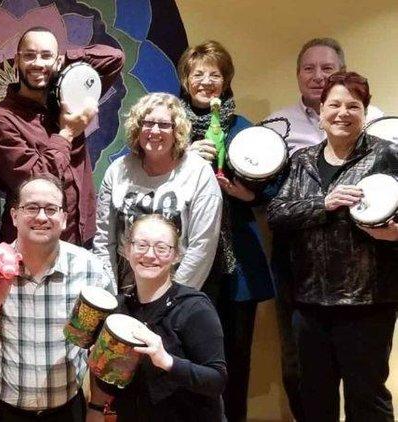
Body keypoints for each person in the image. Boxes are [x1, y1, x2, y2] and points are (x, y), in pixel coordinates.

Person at [264, 37, 384, 420]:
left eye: (353, 106)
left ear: (366, 112)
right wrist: (324, 203)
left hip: (368, 299)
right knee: (315, 398)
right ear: (320, 113)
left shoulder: (387, 154)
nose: (342, 113)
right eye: (334, 105)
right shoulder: (302, 160)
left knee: (367, 398)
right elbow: (278, 213)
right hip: (308, 299)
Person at [0, 174, 116, 421]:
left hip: (65, 411)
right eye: (31, 208)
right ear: (14, 216)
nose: (41, 217)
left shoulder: (91, 271)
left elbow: (104, 349)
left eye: (51, 209)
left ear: (64, 218)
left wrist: (97, 407)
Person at [176, 40, 275, 422]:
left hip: (236, 268)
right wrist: (185, 161)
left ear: (226, 80)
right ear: (185, 80)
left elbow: (268, 190)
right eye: (197, 74)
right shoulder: (168, 124)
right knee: (185, 358)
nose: (206, 81)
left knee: (234, 359)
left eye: (214, 74)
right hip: (183, 262)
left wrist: (243, 192)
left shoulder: (245, 128)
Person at [0, 26, 125, 247]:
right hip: (31, 246)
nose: (38, 63)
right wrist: (66, 133)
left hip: (80, 236)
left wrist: (69, 58)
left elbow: (114, 59)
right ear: (17, 60)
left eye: (46, 56)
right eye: (30, 56)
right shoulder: (2, 120)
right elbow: (35, 181)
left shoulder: (70, 95)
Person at [87, 214, 226, 421]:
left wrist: (167, 361)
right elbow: (115, 387)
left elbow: (217, 381)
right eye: (141, 245)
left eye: (161, 248)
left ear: (176, 255)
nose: (150, 255)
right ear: (127, 250)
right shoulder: (118, 310)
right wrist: (101, 362)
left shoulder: (194, 307)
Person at [93, 92, 222, 292]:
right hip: (125, 277)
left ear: (177, 130)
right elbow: (103, 239)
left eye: (163, 125)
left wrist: (174, 298)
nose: (154, 131)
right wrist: (109, 292)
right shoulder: (118, 170)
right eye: (147, 123)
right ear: (137, 128)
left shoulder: (199, 173)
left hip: (177, 277)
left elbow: (202, 246)